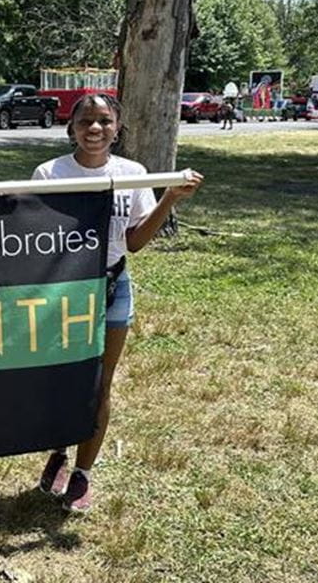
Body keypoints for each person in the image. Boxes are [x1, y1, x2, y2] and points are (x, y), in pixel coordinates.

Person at [31, 94, 203, 513]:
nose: (95, 129)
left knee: (99, 383)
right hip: (64, 291)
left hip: (113, 286)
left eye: (105, 121)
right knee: (62, 380)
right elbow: (34, 238)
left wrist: (168, 199)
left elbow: (135, 242)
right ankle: (59, 452)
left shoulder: (133, 174)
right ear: (71, 127)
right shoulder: (50, 173)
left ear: (117, 128)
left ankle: (83, 473)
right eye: (85, 121)